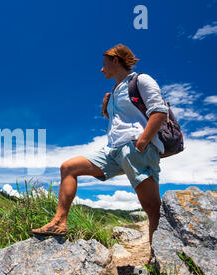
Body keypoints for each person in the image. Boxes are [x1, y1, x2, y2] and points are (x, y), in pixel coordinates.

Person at [31, 44, 169, 246]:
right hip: (112, 151)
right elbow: (121, 119)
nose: (101, 69)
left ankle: (158, 254)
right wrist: (106, 109)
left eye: (104, 64)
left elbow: (159, 112)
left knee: (150, 206)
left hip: (135, 148)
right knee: (69, 167)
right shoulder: (114, 91)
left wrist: (142, 141)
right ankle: (59, 222)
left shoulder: (141, 80)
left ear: (115, 60)